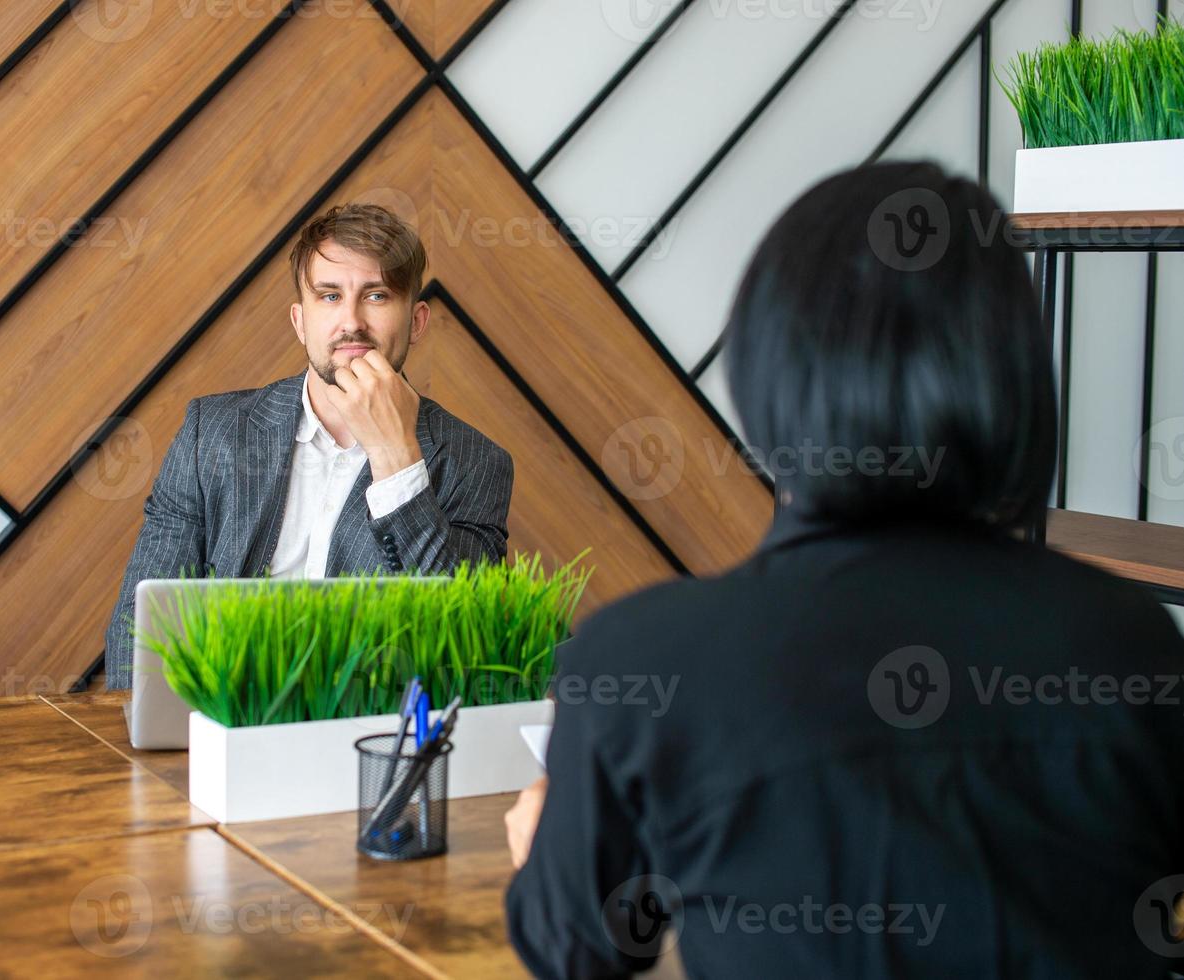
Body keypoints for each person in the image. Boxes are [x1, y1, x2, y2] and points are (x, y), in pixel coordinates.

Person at [502, 163, 1184, 978]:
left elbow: (575, 949)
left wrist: (547, 851)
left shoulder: (639, 664)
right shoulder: (1131, 645)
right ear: (1014, 376)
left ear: (766, 367)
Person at [104, 204, 513, 689]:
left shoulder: (477, 463)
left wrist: (396, 459)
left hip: (368, 742)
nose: (351, 322)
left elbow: (463, 644)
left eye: (377, 295)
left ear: (417, 321)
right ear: (300, 321)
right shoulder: (210, 433)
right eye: (330, 296)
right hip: (214, 733)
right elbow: (138, 627)